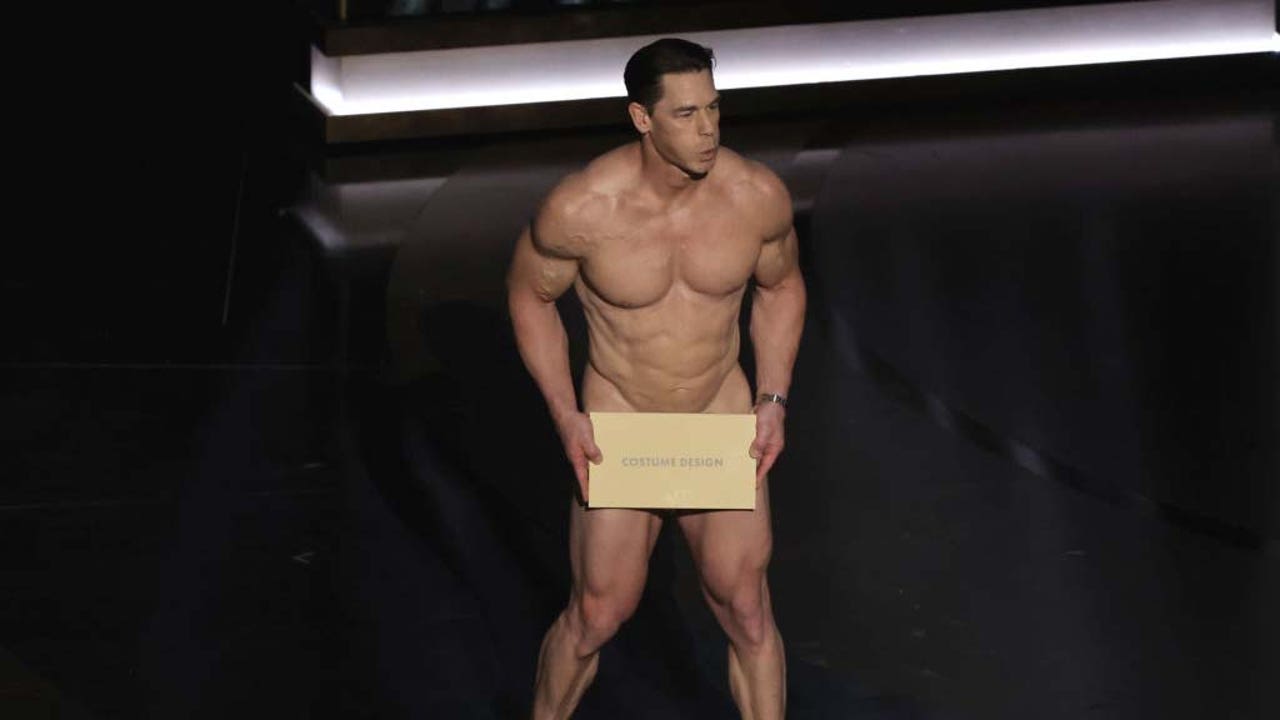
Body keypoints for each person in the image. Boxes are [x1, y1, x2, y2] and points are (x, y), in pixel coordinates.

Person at [506, 37, 806, 720]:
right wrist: (565, 414)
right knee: (597, 612)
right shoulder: (583, 209)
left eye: (714, 109)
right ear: (642, 118)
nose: (708, 130)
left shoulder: (753, 196)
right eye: (686, 114)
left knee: (747, 610)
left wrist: (773, 398)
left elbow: (783, 286)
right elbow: (529, 297)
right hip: (623, 422)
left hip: (717, 415)